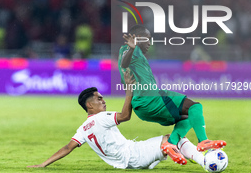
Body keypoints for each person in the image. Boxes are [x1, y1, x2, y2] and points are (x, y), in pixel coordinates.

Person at [27, 71, 205, 169]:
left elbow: (68, 148)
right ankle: (206, 161)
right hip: (134, 155)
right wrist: (129, 90)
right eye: (99, 99)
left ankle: (172, 150)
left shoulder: (83, 128)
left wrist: (44, 164)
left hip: (125, 163)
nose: (103, 100)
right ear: (89, 106)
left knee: (170, 140)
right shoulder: (102, 118)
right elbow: (125, 116)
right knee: (176, 138)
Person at [118, 24, 226, 165]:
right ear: (137, 39)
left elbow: (128, 73)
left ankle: (170, 144)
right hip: (151, 99)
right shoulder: (129, 50)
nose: (150, 42)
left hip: (142, 107)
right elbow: (124, 64)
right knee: (195, 107)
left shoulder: (136, 56)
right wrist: (132, 48)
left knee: (188, 117)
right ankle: (203, 141)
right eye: (148, 39)